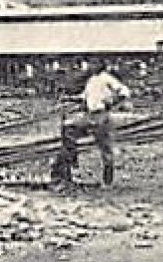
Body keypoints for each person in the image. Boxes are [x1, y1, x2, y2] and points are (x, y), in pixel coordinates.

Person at [50, 59, 132, 188]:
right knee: (68, 128)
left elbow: (125, 92)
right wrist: (70, 99)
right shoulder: (91, 80)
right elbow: (85, 97)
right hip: (89, 115)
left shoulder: (107, 78)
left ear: (101, 65)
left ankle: (107, 182)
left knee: (105, 148)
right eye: (90, 64)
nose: (91, 66)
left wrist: (112, 103)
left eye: (95, 64)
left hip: (102, 116)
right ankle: (71, 162)